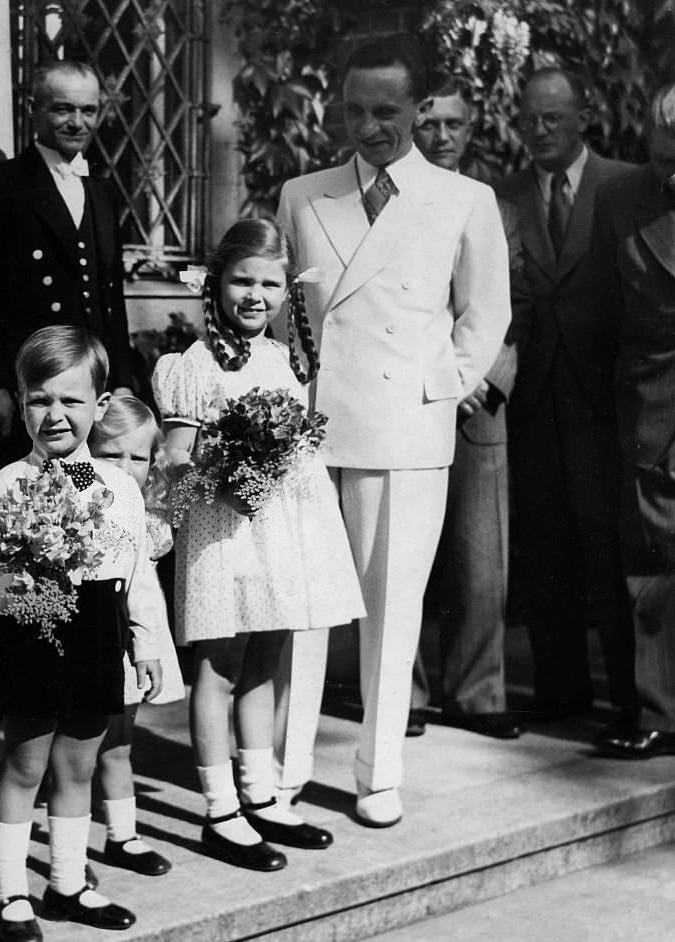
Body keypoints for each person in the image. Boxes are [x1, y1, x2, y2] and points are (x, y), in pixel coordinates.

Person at [276, 34, 509, 827]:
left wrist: (436, 386)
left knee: (390, 604)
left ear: (419, 109)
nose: (369, 127)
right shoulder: (304, 193)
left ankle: (379, 772)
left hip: (404, 427)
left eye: (386, 111)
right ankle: (286, 763)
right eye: (354, 110)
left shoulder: (461, 198)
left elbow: (486, 314)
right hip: (314, 425)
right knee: (305, 601)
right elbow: (283, 316)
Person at [152, 218, 365, 870]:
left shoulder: (280, 357)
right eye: (243, 280)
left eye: (270, 283)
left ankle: (261, 792)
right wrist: (167, 524)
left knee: (266, 658)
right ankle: (220, 807)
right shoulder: (192, 366)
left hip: (283, 531)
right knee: (219, 665)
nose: (255, 295)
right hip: (226, 533)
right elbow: (178, 461)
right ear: (215, 284)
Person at [0, 327, 160, 942]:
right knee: (25, 763)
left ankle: (68, 883)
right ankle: (10, 892)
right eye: (40, 399)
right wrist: (14, 590)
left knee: (78, 764)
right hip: (32, 634)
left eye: (71, 401)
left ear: (99, 407)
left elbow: (135, 573)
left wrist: (145, 641)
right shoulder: (4, 486)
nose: (55, 415)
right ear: (20, 404)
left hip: (98, 632)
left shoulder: (115, 487)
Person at [494, 67, 635, 723]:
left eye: (553, 118)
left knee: (610, 551)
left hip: (604, 404)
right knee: (545, 547)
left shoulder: (625, 185)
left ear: (583, 117)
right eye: (529, 119)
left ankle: (632, 695)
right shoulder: (503, 196)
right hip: (533, 405)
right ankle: (559, 692)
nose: (540, 130)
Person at [406, 79, 529, 740]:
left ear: (472, 129)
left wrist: (482, 378)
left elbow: (523, 303)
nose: (442, 136)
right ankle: (403, 693)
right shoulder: (394, 200)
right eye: (430, 124)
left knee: (483, 560)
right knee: (406, 552)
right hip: (412, 400)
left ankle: (478, 693)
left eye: (455, 124)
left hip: (482, 401)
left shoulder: (494, 205)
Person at [0, 59, 133, 480]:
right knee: (21, 504)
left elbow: (111, 298)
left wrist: (120, 382)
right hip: (28, 387)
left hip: (85, 387)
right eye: (62, 109)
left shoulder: (102, 192)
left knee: (87, 505)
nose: (77, 122)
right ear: (34, 108)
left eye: (88, 111)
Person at [590, 84, 675, 757]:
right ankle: (656, 711)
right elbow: (600, 311)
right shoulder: (621, 198)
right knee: (650, 564)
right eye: (661, 152)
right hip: (649, 405)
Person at [89, 395, 184, 876]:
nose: (125, 467)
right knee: (76, 743)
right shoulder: (86, 499)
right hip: (94, 637)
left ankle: (122, 835)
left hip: (136, 637)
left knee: (120, 741)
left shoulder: (150, 511)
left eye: (138, 457)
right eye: (111, 454)